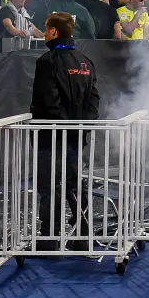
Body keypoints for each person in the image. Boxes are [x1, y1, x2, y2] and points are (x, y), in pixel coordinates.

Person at [29, 13, 100, 249]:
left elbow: (48, 102)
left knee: (50, 185)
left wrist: (64, 127)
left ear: (53, 32)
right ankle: (82, 233)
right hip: (76, 137)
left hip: (51, 137)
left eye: (46, 28)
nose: (44, 32)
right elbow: (94, 100)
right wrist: (81, 127)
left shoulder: (47, 62)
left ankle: (49, 238)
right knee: (74, 182)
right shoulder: (85, 61)